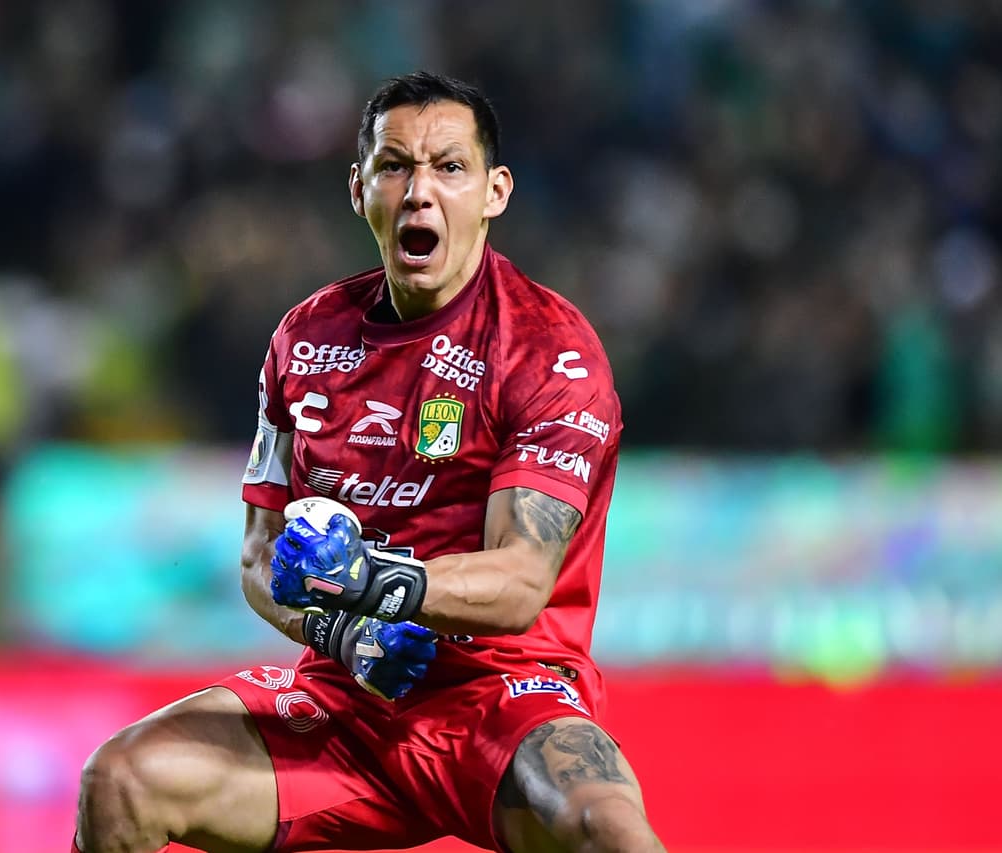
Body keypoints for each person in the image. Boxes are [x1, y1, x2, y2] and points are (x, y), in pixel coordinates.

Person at [74, 70, 667, 853]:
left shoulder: (548, 351)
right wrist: (344, 633)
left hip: (502, 696)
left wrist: (366, 580)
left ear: (494, 191)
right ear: (359, 190)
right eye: (395, 166)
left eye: (449, 167)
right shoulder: (305, 341)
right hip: (351, 698)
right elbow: (258, 557)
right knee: (119, 780)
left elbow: (521, 583)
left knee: (610, 831)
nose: (420, 192)